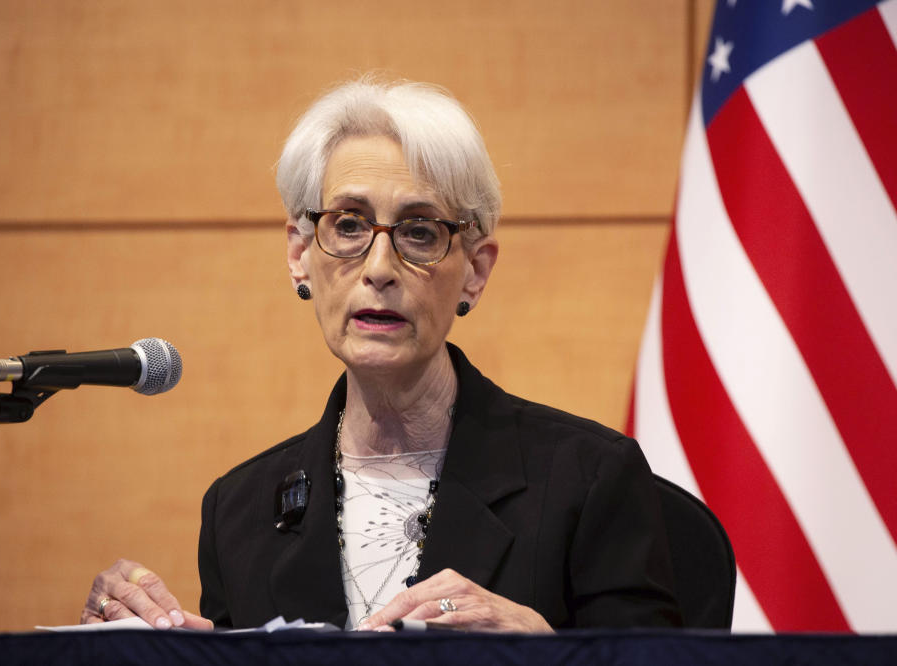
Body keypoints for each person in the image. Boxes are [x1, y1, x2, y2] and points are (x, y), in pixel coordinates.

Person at [81, 77, 682, 632]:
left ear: (474, 270)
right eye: (348, 225)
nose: (378, 268)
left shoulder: (589, 478)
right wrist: (150, 644)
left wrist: (544, 649)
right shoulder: (238, 510)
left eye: (420, 232)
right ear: (299, 253)